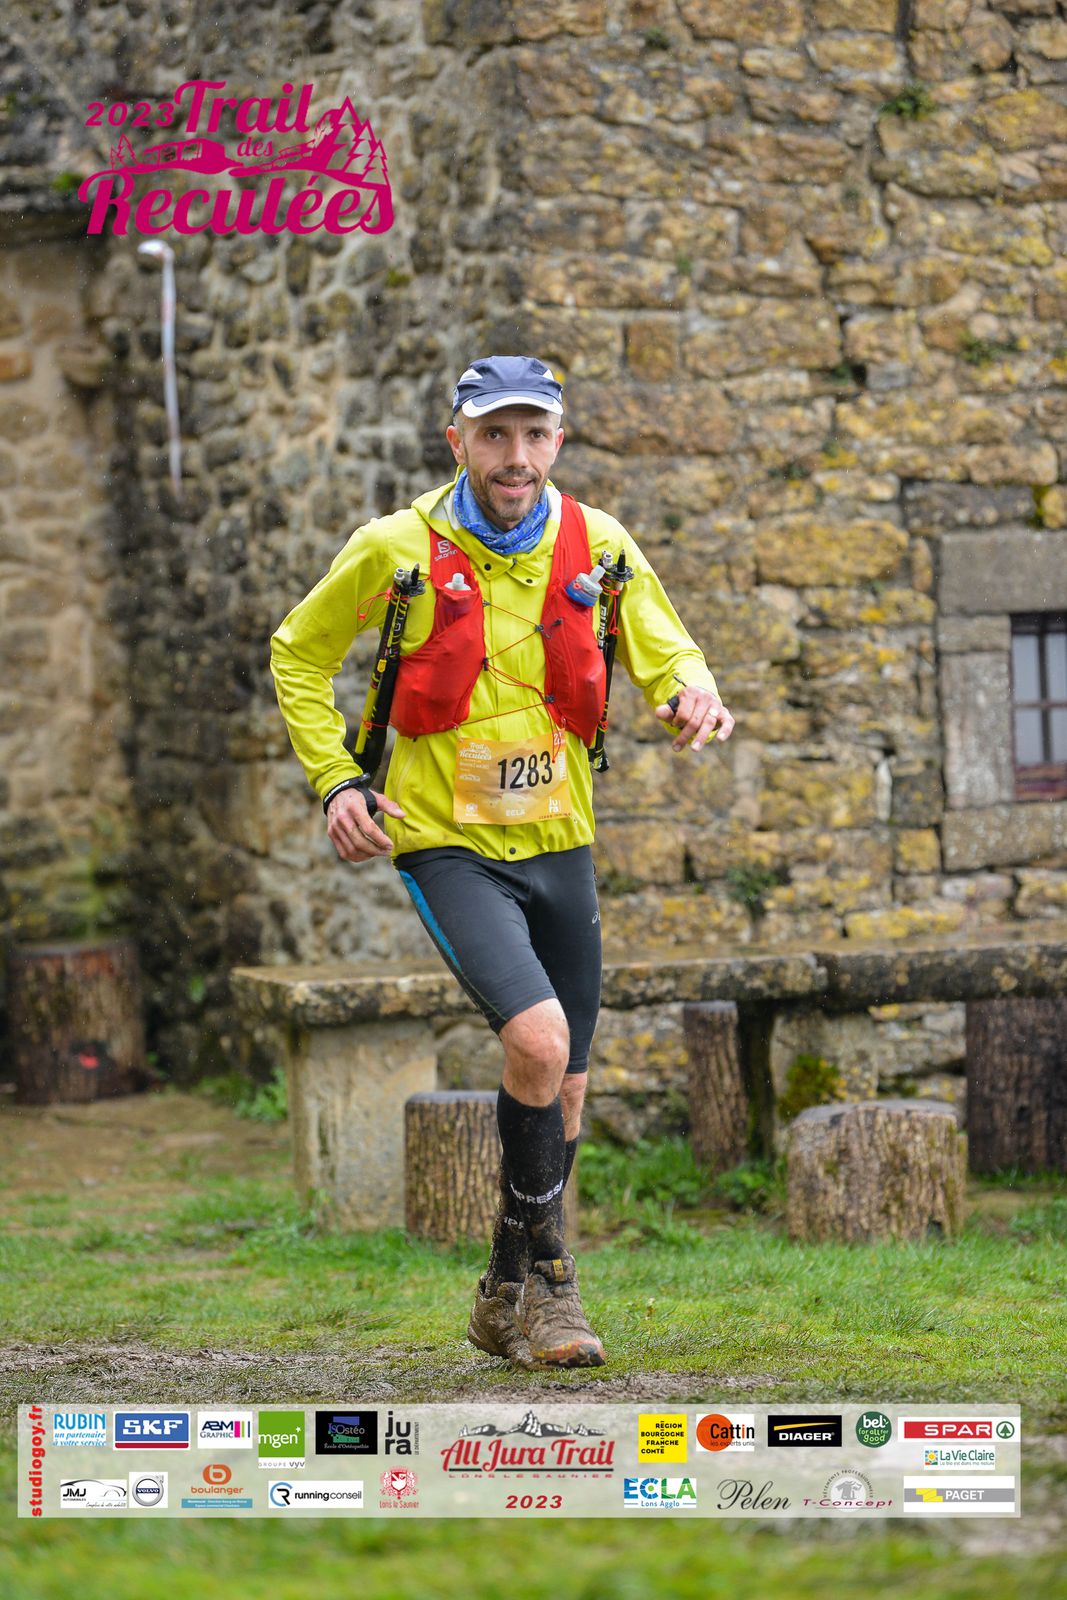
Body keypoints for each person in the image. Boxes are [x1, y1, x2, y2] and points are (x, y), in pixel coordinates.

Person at [270, 355, 734, 1369]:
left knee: (566, 1083)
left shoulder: (599, 543)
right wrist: (338, 780)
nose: (514, 455)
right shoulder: (395, 548)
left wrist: (690, 692)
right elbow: (297, 651)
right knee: (537, 1039)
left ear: (557, 441)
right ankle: (554, 1286)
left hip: (561, 841)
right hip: (446, 842)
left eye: (532, 434)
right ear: (458, 442)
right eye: (493, 434)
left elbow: (667, 651)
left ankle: (502, 1292)